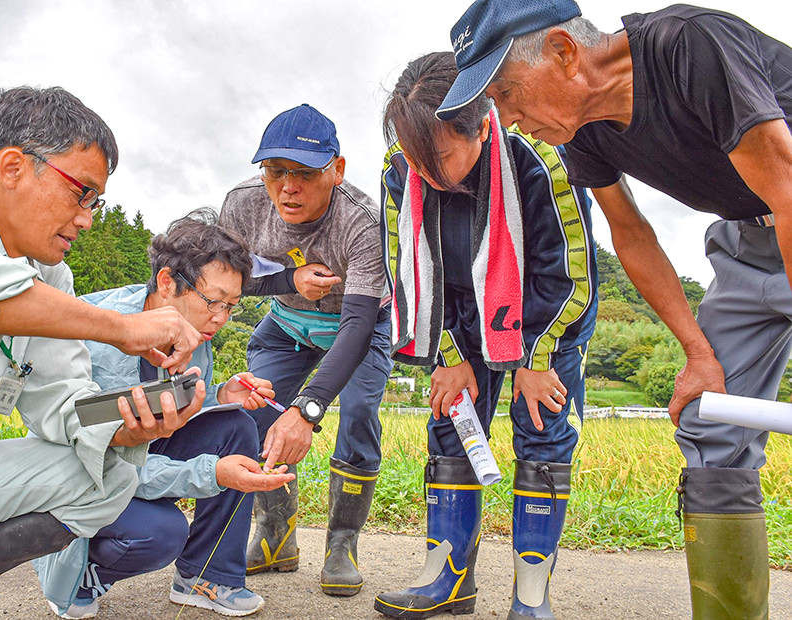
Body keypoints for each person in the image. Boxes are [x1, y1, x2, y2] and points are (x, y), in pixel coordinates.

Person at [439, 0, 792, 617]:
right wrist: (697, 353)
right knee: (709, 421)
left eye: (508, 93)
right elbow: (630, 234)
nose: (511, 121)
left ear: (563, 52)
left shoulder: (688, 44)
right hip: (747, 240)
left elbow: (784, 184)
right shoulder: (587, 133)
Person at [0, 86, 209, 620]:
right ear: (13, 167)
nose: (89, 218)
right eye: (82, 193)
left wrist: (127, 424)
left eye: (97, 202)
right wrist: (118, 327)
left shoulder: (52, 280)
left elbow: (65, 403)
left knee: (107, 477)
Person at [374, 52, 597, 620]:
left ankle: (531, 594)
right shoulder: (401, 169)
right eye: (415, 156)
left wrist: (534, 356)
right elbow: (410, 272)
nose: (424, 171)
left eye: (441, 155)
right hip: (459, 314)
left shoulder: (541, 160)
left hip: (545, 313)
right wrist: (448, 355)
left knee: (542, 429)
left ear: (479, 126)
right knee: (452, 423)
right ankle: (447, 578)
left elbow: (568, 273)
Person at [35, 209, 294, 619]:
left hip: (138, 458)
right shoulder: (95, 337)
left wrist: (220, 396)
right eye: (213, 302)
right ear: (168, 282)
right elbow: (102, 462)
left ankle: (208, 576)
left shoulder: (197, 331)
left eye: (231, 306)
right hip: (83, 476)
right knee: (161, 533)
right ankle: (74, 570)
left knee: (235, 425)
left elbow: (173, 420)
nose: (221, 319)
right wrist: (212, 474)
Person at [218, 104, 393, 596]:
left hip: (356, 326)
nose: (287, 188)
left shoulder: (364, 223)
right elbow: (222, 281)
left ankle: (342, 544)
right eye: (276, 172)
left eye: (304, 174)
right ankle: (275, 536)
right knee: (256, 413)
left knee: (358, 414)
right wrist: (286, 279)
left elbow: (358, 325)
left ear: (336, 170)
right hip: (288, 323)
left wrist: (308, 409)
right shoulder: (243, 204)